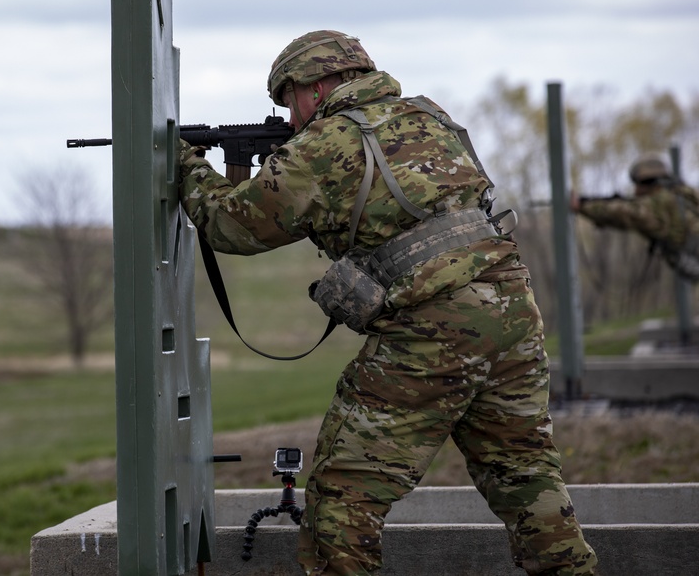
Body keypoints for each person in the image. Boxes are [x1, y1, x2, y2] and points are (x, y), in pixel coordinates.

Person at [178, 30, 597, 575]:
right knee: (527, 477)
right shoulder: (430, 117)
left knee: (342, 500)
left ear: (317, 84)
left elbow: (231, 225)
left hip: (434, 331)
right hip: (511, 312)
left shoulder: (324, 144)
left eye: (288, 101)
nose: (290, 116)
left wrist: (187, 165)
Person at [571, 153, 699, 281]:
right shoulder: (685, 196)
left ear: (646, 183)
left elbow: (622, 213)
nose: (635, 192)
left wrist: (582, 206)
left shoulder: (659, 204)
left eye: (637, 185)